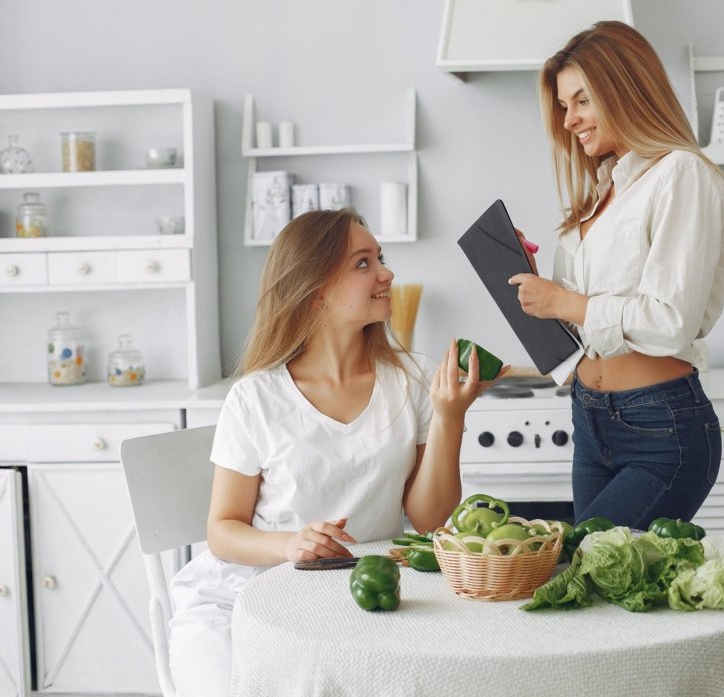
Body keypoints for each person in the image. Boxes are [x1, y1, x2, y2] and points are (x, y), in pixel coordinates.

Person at [168, 209, 499, 696]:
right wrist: (289, 545)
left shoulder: (413, 379)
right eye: (363, 263)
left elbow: (431, 522)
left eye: (380, 258)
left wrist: (450, 418)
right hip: (244, 593)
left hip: (357, 592)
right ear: (314, 288)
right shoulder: (256, 397)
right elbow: (222, 531)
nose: (386, 273)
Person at [509, 21, 724, 531]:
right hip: (589, 417)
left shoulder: (682, 174)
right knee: (600, 598)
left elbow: (670, 321)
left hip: (661, 428)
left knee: (587, 570)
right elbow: (585, 328)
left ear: (624, 89)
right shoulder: (600, 193)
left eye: (581, 101)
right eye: (565, 106)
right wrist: (534, 284)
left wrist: (563, 301)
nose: (569, 120)